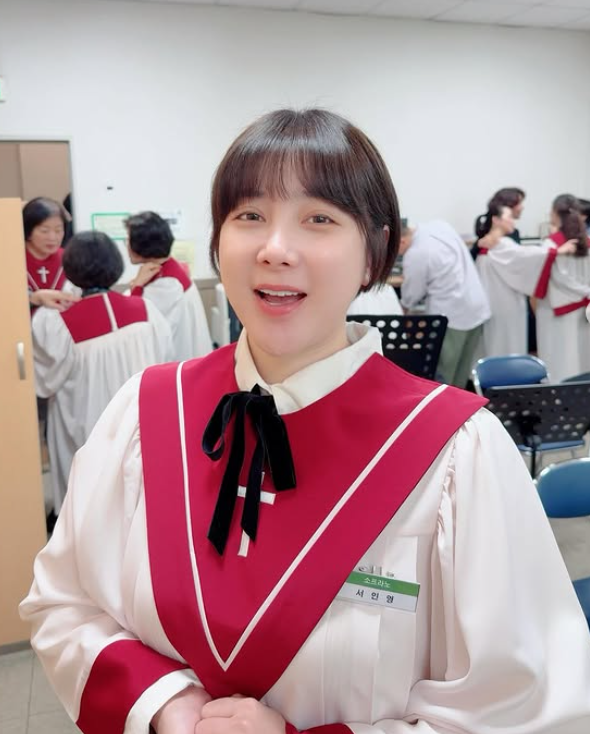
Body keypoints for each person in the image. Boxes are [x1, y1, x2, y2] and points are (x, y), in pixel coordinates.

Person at [21, 109, 590, 734]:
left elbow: (528, 707)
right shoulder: (145, 412)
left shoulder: (456, 451)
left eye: (319, 219)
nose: (275, 249)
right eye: (249, 216)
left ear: (373, 250)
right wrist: (163, 705)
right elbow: (63, 602)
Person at [31, 230, 173, 515]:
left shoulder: (58, 323)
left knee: (89, 504)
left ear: (71, 270)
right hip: (137, 422)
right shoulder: (145, 310)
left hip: (87, 427)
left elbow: (45, 380)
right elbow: (164, 359)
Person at [474, 202, 574, 357]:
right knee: (507, 344)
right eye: (509, 217)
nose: (513, 221)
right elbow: (527, 255)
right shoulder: (501, 244)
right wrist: (557, 251)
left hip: (494, 302)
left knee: (495, 343)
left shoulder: (486, 243)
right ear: (496, 220)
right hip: (506, 304)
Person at [399, 219, 490, 388]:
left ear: (401, 241)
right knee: (461, 376)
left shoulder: (416, 253)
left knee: (443, 376)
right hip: (476, 306)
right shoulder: (438, 225)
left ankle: (445, 405)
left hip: (452, 316)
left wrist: (401, 308)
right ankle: (459, 405)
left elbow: (411, 295)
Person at [125, 211, 213, 360]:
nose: (127, 245)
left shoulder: (167, 284)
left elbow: (139, 327)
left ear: (141, 246)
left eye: (128, 240)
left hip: (178, 362)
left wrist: (137, 287)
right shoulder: (169, 268)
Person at [536, 194, 590, 381]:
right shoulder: (585, 241)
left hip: (556, 309)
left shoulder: (551, 243)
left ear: (555, 213)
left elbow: (558, 277)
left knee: (558, 358)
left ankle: (556, 393)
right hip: (582, 308)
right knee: (580, 356)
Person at [23, 197, 79, 312]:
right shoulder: (12, 259)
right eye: (44, 231)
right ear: (28, 231)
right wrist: (32, 298)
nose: (52, 238)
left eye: (58, 230)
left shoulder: (70, 258)